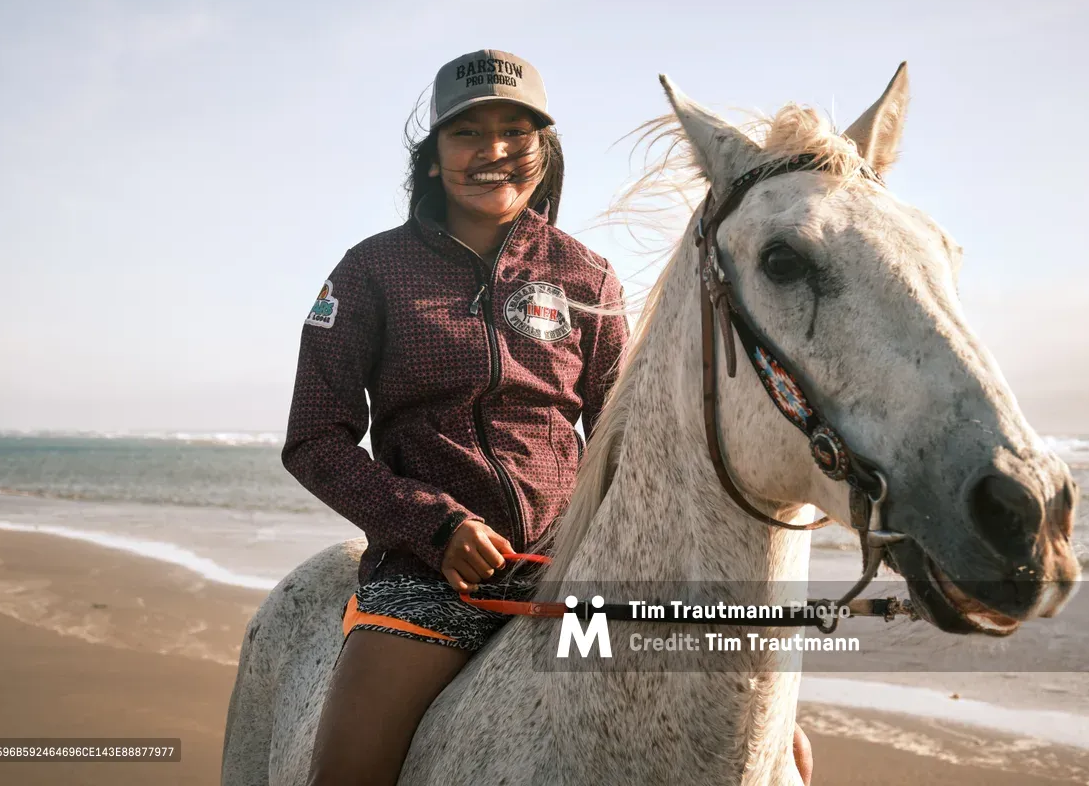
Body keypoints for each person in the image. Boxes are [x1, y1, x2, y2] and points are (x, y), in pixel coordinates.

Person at [282, 48, 813, 786]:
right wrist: (435, 525)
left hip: (572, 580)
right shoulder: (370, 272)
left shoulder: (585, 275)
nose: (493, 152)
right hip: (428, 585)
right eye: (467, 133)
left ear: (543, 151)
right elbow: (315, 440)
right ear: (433, 158)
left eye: (516, 132)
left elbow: (633, 447)